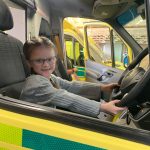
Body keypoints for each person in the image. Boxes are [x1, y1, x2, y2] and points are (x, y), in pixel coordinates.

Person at [20, 36, 126, 118]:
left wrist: (102, 88)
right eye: (39, 60)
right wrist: (102, 107)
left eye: (50, 59)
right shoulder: (36, 84)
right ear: (29, 63)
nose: (46, 65)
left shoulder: (50, 77)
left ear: (55, 59)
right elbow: (68, 98)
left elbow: (71, 86)